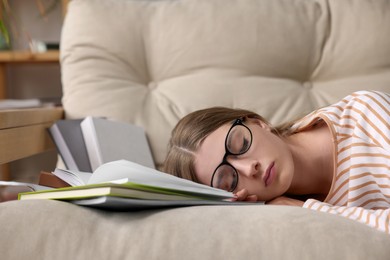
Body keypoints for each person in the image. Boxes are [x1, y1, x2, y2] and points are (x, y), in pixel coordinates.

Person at [163, 90, 390, 234]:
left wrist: (308, 209)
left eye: (240, 144)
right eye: (228, 180)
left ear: (259, 123)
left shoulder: (367, 119)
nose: (248, 168)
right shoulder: (282, 216)